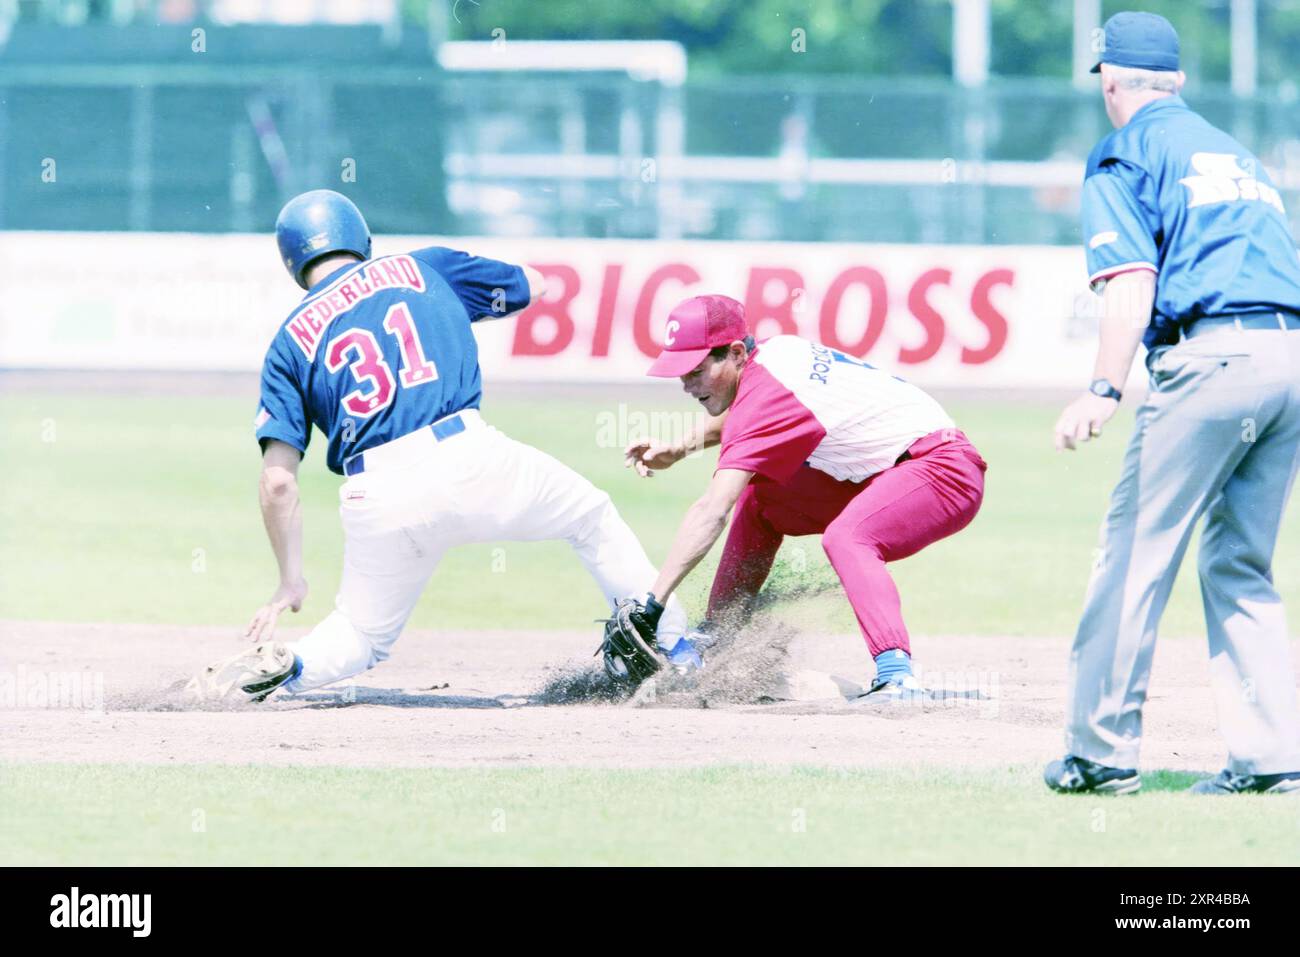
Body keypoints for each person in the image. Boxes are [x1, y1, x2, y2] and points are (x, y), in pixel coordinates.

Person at [190, 189, 689, 702]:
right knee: (590, 519)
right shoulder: (422, 267)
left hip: (376, 495)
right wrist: (452, 308)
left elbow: (277, 481)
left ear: (292, 261)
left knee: (361, 635)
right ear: (360, 237)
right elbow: (533, 286)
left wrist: (290, 582)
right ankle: (679, 650)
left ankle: (289, 664)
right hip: (469, 457)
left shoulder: (288, 342)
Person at [1044, 11, 1300, 795]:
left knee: (1132, 558)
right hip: (1289, 355)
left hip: (1214, 354)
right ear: (1179, 81)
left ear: (1109, 82)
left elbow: (1131, 280)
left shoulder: (1126, 149)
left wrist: (1103, 386)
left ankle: (1100, 753)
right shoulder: (1237, 154)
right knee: (1238, 563)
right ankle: (1273, 758)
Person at [620, 294, 986, 698]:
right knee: (762, 498)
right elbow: (744, 419)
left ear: (736, 353)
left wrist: (652, 603)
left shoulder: (770, 392)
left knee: (848, 536)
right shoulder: (775, 356)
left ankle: (897, 675)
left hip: (942, 472)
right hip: (890, 471)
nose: (686, 385)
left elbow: (712, 510)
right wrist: (678, 448)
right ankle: (719, 636)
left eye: (695, 370)